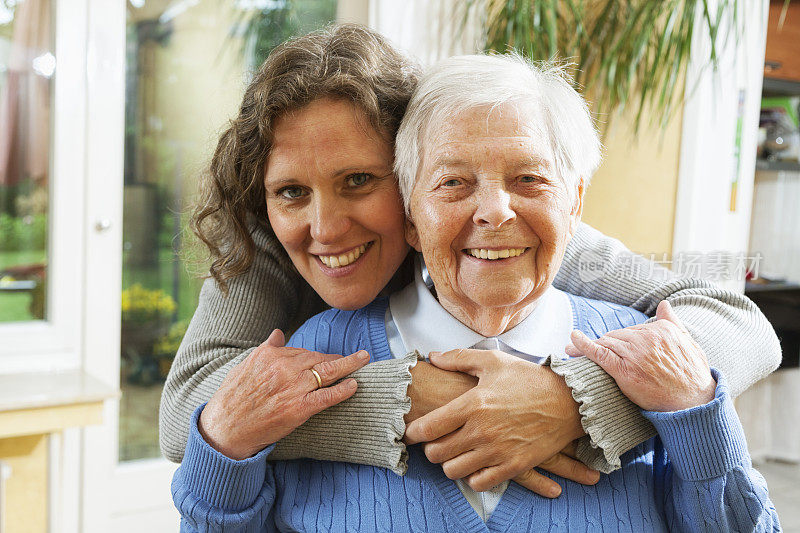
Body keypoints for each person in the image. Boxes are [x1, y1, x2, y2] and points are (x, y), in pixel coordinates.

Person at [160, 24, 780, 495]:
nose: (324, 227)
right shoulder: (265, 245)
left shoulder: (501, 235)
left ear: (414, 183)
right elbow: (186, 413)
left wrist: (572, 401)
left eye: (357, 180)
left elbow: (739, 324)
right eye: (292, 191)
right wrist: (409, 398)